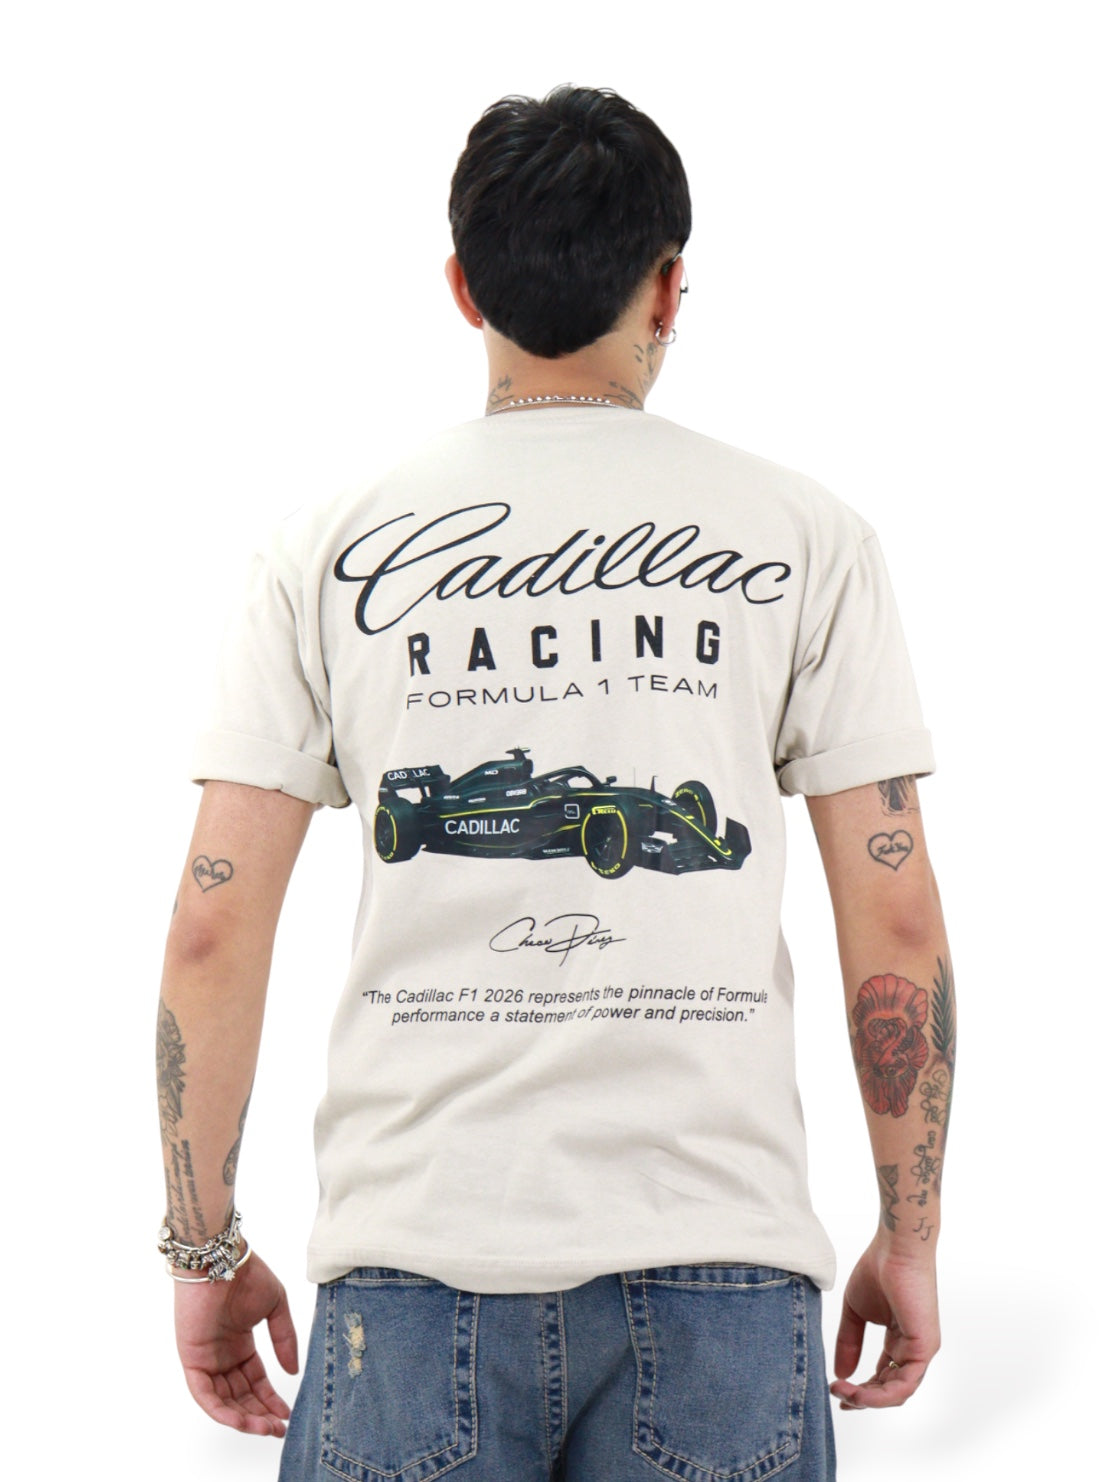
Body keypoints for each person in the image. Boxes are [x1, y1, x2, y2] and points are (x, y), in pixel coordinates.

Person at [157, 86, 955, 1481]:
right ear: (669, 287)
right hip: (722, 1257)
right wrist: (912, 1235)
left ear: (464, 288)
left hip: (410, 1264)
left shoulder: (326, 547)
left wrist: (202, 1244)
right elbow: (895, 917)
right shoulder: (810, 536)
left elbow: (213, 927)